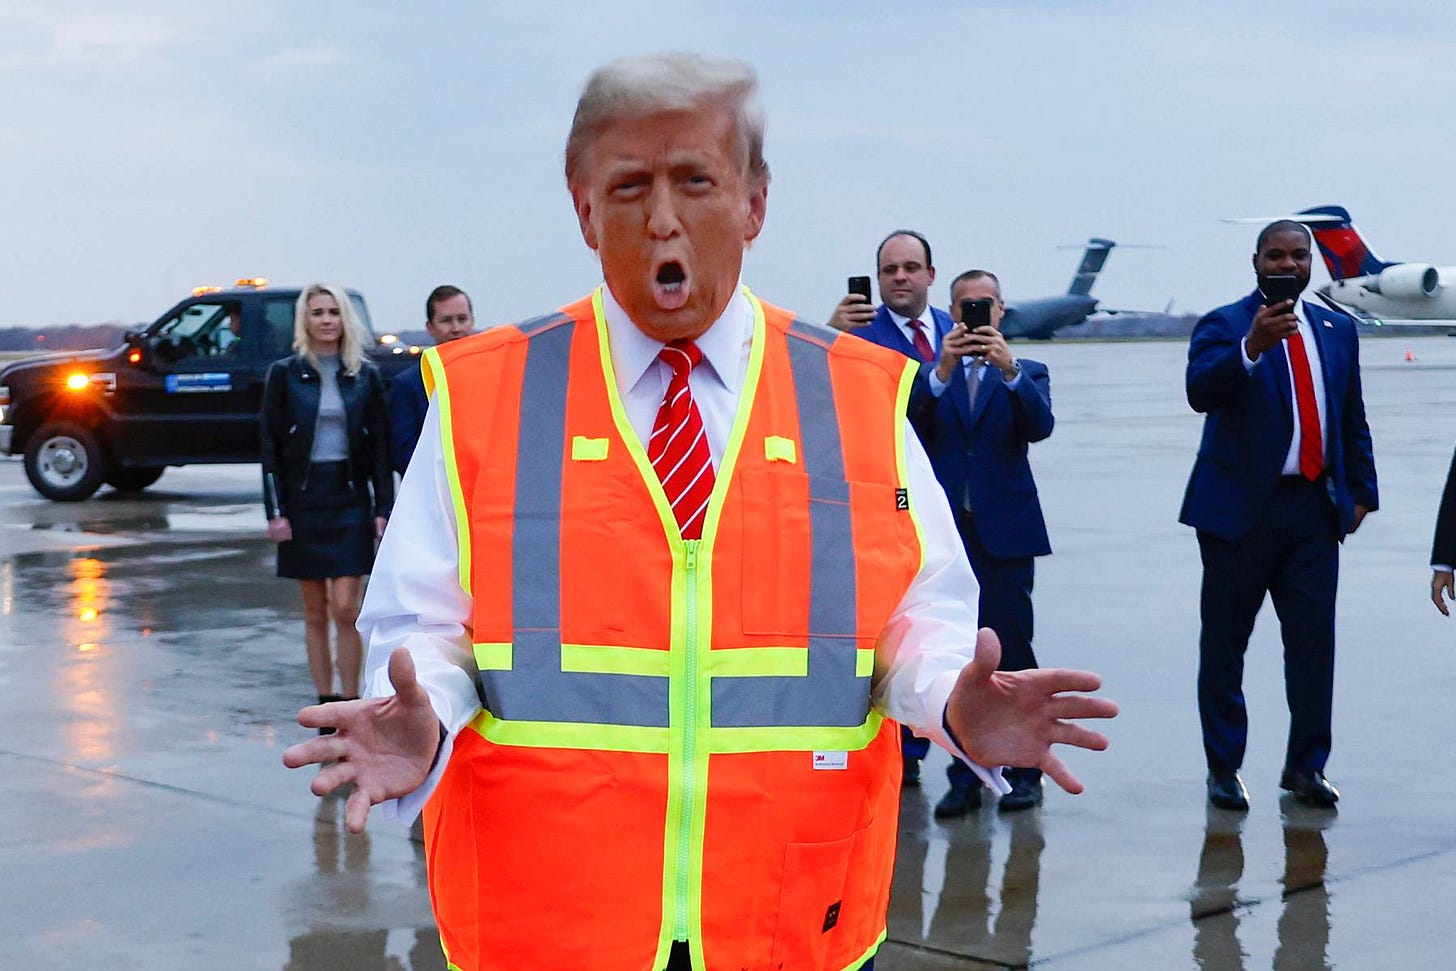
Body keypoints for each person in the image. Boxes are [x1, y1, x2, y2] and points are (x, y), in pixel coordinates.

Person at [282, 54, 1116, 971]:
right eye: (630, 185)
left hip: (789, 912)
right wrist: (422, 712)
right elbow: (421, 624)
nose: (664, 219)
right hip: (554, 921)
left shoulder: (855, 393)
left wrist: (954, 699)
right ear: (583, 206)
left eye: (696, 181)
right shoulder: (488, 396)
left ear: (755, 203)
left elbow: (915, 617)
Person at [1180, 220, 1377, 811]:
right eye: (1275, 255)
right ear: (1256, 261)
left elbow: (1351, 416)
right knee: (1224, 648)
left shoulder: (1338, 328)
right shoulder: (1223, 324)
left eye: (1298, 255)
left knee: (1314, 648)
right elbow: (1201, 391)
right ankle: (1223, 768)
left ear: (1311, 262)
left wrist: (1362, 489)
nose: (1287, 264)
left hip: (1313, 511)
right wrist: (1253, 347)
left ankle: (1306, 767)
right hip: (1238, 513)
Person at [910, 269, 1054, 817]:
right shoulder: (931, 376)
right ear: (951, 314)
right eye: (965, 307)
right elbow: (908, 423)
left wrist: (1009, 369)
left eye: (985, 306)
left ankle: (1025, 770)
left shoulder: (1028, 372)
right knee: (952, 656)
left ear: (1000, 312)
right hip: (947, 538)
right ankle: (966, 774)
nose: (976, 315)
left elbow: (1040, 427)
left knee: (1013, 653)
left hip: (1005, 536)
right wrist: (943, 369)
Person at [261, 283, 392, 723]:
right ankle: (325, 702)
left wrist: (382, 509)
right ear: (305, 320)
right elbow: (270, 448)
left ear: (344, 319)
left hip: (350, 497)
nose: (326, 320)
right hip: (303, 499)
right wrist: (275, 511)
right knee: (314, 609)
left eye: (333, 311)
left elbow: (380, 449)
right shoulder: (285, 374)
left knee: (346, 608)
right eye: (317, 312)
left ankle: (352, 702)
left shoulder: (364, 375)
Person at [389, 285, 476, 474]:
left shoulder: (489, 378)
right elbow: (404, 454)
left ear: (472, 321)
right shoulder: (408, 385)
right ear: (430, 327)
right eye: (446, 321)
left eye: (462, 319)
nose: (456, 328)